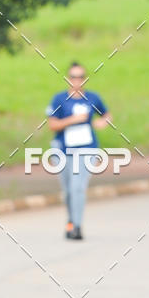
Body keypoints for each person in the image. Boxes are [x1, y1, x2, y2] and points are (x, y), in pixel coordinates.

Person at [46, 62, 110, 240]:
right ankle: (71, 220)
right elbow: (52, 124)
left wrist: (102, 122)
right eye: (73, 77)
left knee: (78, 187)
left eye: (80, 77)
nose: (77, 80)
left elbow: (106, 114)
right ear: (68, 78)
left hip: (86, 150)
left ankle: (77, 226)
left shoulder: (93, 98)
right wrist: (73, 120)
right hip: (64, 150)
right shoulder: (59, 100)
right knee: (68, 191)